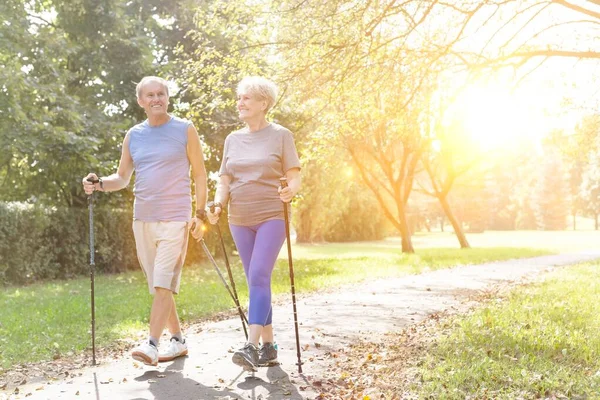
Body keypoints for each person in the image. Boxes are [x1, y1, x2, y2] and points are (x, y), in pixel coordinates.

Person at [82, 76, 207, 366]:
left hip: (176, 217)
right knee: (158, 283)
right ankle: (178, 340)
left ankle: (152, 344)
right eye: (149, 95)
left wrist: (199, 214)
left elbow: (200, 173)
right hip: (143, 219)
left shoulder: (185, 129)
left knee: (164, 282)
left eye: (161, 94)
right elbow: (122, 178)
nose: (156, 99)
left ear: (167, 98)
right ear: (141, 101)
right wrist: (99, 183)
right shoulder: (133, 135)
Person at [207, 76, 301, 371]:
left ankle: (250, 346)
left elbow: (294, 174)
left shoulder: (281, 135)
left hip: (272, 213)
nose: (240, 103)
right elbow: (225, 180)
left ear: (263, 103)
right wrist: (218, 203)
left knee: (259, 273)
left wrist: (291, 190)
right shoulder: (232, 140)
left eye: (246, 98)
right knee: (256, 281)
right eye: (239, 98)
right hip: (239, 218)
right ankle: (269, 345)